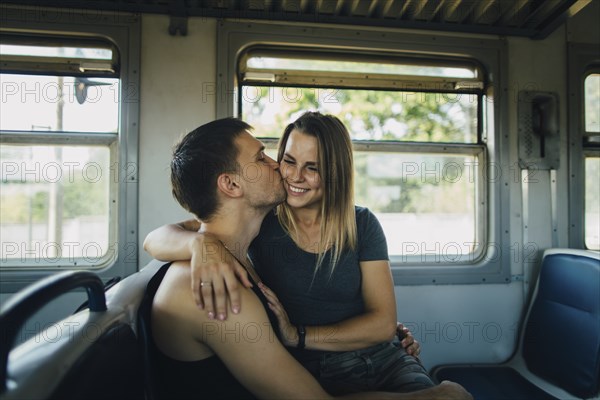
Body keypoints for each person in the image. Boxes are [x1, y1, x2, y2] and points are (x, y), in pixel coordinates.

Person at [149, 117, 473, 399]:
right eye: (266, 158)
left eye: (312, 167)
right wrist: (200, 246)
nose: (283, 170)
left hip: (380, 356)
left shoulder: (235, 248)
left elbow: (382, 322)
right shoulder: (227, 269)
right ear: (232, 183)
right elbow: (163, 235)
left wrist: (306, 333)